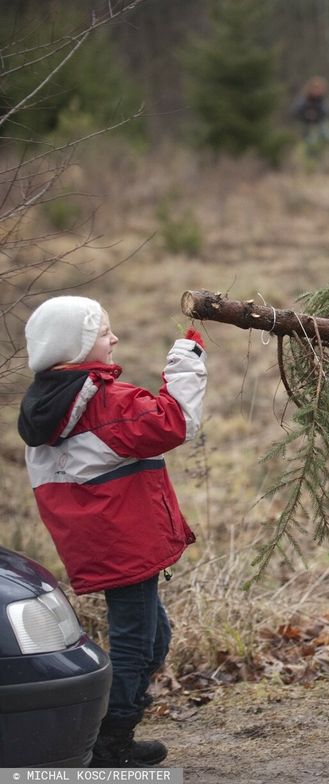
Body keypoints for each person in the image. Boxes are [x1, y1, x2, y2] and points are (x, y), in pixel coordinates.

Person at [17, 296, 208, 766]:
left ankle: (104, 726)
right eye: (104, 332)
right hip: (125, 539)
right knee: (136, 641)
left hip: (101, 541)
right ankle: (110, 740)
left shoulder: (44, 404)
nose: (115, 339)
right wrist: (187, 362)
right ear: (76, 345)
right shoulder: (104, 401)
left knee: (152, 636)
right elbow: (175, 422)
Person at [292, 76, 329, 158]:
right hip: (306, 124)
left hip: (320, 122)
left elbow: (328, 111)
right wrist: (306, 115)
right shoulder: (303, 99)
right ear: (310, 88)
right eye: (316, 88)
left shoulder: (322, 100)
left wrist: (317, 114)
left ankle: (327, 155)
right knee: (312, 140)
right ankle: (311, 157)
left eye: (320, 88)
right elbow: (296, 112)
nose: (318, 90)